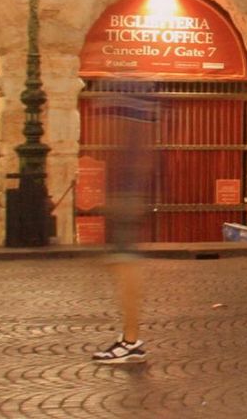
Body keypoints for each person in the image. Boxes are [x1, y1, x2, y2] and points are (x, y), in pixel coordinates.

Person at [94, 82, 157, 365]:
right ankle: (129, 339)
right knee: (122, 264)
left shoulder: (135, 123)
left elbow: (143, 160)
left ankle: (130, 342)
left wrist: (125, 199)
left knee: (125, 265)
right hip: (127, 197)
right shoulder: (137, 123)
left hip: (128, 198)